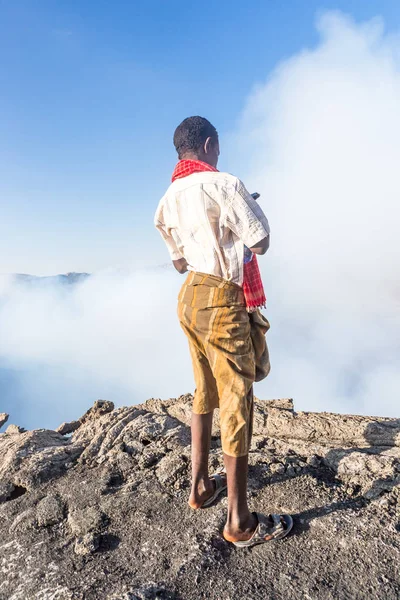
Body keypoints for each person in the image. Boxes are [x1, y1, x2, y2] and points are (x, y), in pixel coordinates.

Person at [154, 116, 293, 547]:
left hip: (189, 295)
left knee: (204, 390)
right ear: (210, 144)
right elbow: (261, 241)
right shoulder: (224, 184)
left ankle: (199, 486)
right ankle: (239, 521)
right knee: (237, 398)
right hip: (222, 296)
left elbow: (179, 262)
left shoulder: (167, 199)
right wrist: (243, 209)